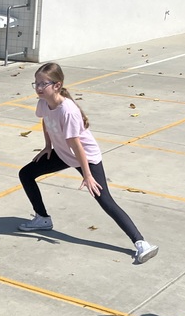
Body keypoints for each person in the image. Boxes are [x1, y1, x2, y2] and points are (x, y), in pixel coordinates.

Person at [18, 62, 159, 264]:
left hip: (86, 158)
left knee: (104, 199)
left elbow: (77, 147)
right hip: (62, 153)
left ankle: (141, 243)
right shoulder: (43, 102)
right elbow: (45, 121)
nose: (39, 88)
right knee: (26, 174)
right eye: (36, 83)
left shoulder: (68, 111)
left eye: (43, 84)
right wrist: (47, 146)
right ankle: (42, 219)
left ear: (57, 85)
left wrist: (88, 175)